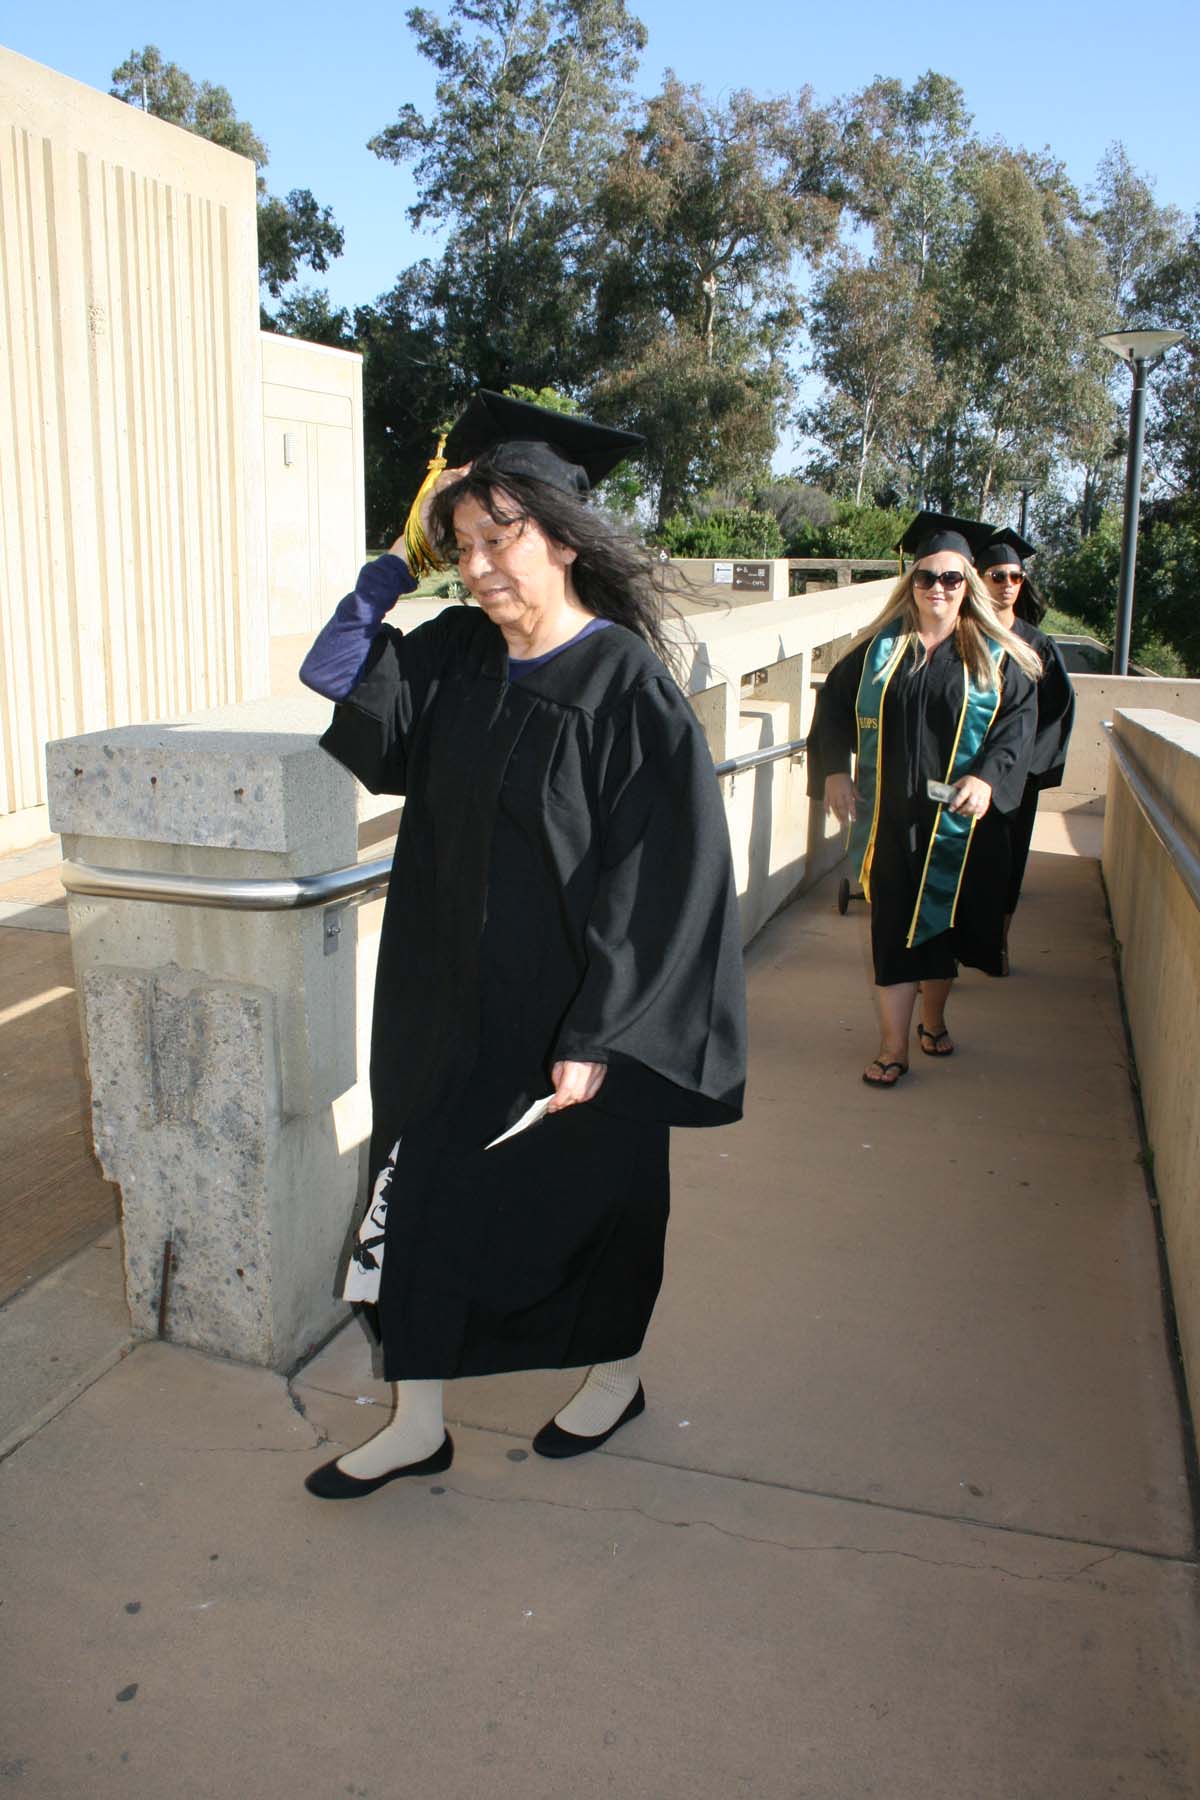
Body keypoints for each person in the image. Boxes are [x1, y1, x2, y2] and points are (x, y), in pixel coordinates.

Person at [297, 389, 747, 1498]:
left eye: (503, 539)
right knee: (428, 1201)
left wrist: (603, 1029)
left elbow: (670, 878)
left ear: (564, 536)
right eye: (463, 545)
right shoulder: (454, 652)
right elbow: (336, 681)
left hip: (570, 1018)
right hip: (446, 1000)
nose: (481, 566)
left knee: (592, 1207)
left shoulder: (626, 687)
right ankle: (419, 1422)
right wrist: (390, 570)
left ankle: (614, 1377)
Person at [807, 512, 1042, 1088]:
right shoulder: (879, 654)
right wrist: (835, 771)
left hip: (959, 821)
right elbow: (832, 709)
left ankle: (932, 1021)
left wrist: (987, 778)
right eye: (926, 577)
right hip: (890, 816)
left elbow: (1017, 728)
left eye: (952, 579)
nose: (938, 588)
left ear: (970, 585)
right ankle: (893, 1047)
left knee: (941, 929)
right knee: (890, 927)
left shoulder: (995, 657)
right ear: (909, 583)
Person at [970, 528, 1075, 973]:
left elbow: (1056, 710)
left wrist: (1030, 768)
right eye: (997, 576)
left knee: (1007, 868)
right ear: (980, 579)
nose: (1008, 584)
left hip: (1016, 779)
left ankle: (999, 943)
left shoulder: (1037, 645)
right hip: (964, 769)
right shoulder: (963, 635)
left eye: (1015, 576)